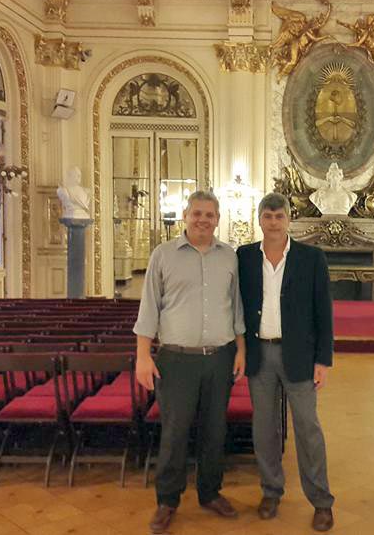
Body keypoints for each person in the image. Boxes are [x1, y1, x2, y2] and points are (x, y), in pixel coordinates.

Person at [133, 190, 246, 534]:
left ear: (218, 219)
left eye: (209, 215)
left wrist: (241, 350)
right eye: (197, 213)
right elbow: (149, 308)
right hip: (176, 360)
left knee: (215, 430)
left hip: (220, 357)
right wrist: (142, 356)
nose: (203, 220)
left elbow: (237, 307)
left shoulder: (229, 257)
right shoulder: (163, 255)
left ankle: (210, 493)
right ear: (185, 216)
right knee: (175, 432)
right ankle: (167, 500)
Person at [237, 192, 336, 532]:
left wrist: (323, 360)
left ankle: (321, 501)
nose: (274, 222)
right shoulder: (245, 257)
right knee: (264, 428)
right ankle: (271, 491)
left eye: (279, 216)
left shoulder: (311, 258)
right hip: (259, 355)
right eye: (268, 216)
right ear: (260, 219)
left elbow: (323, 312)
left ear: (289, 219)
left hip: (300, 357)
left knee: (308, 428)